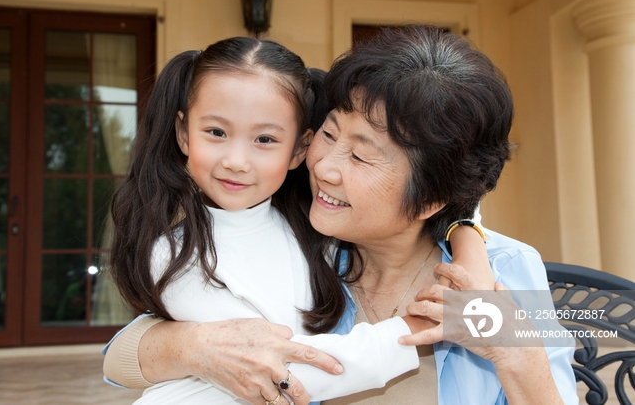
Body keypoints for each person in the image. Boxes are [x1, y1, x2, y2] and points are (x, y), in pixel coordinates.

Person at [106, 35, 492, 405]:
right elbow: (276, 372)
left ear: (431, 194)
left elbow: (538, 368)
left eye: (360, 156)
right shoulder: (325, 241)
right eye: (216, 132)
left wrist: (467, 241)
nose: (327, 168)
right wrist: (420, 329)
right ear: (183, 133)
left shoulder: (505, 265)